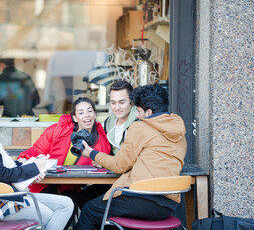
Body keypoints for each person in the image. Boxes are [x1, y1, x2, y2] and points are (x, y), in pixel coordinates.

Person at [75, 84, 187, 230]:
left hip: (142, 198)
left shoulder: (140, 127)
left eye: (138, 111)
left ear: (149, 112)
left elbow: (119, 165)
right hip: (169, 203)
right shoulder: (179, 132)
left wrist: (91, 153)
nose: (136, 115)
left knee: (89, 210)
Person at [0, 93, 73, 230]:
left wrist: (33, 168)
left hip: (6, 197)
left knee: (67, 204)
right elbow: (4, 174)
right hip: (0, 203)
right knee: (49, 216)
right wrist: (34, 168)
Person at [17, 97, 111, 228]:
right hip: (46, 182)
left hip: (71, 186)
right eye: (81, 112)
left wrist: (100, 164)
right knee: (59, 211)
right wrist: (24, 159)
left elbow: (103, 162)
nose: (87, 116)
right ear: (74, 117)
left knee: (69, 210)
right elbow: (37, 149)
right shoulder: (57, 130)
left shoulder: (101, 140)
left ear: (95, 114)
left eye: (90, 111)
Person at [78, 80, 137, 209]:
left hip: (131, 181)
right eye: (113, 103)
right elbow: (109, 154)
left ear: (131, 101)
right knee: (83, 197)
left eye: (122, 102)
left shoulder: (138, 123)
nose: (117, 107)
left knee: (91, 206)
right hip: (113, 177)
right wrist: (103, 161)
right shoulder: (109, 122)